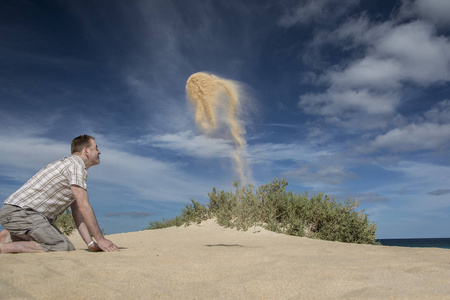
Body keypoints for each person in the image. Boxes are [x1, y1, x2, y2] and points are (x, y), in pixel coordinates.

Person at [0, 135, 119, 253]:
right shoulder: (76, 166)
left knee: (61, 243)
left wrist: (90, 243)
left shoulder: (69, 165)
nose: (99, 152)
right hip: (22, 213)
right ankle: (4, 247)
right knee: (62, 245)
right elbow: (84, 205)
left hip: (18, 213)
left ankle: (9, 237)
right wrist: (101, 239)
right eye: (96, 148)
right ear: (86, 151)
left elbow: (78, 211)